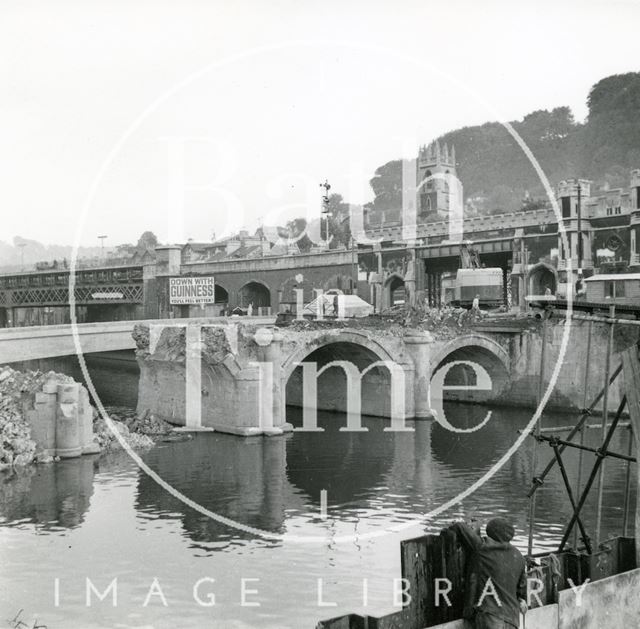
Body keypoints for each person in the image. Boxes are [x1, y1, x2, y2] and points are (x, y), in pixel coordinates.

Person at [450, 517, 527, 629]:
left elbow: (461, 529)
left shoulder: (483, 547)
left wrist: (458, 522)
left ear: (490, 532)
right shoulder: (519, 556)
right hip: (512, 619)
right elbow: (522, 591)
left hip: (491, 616)